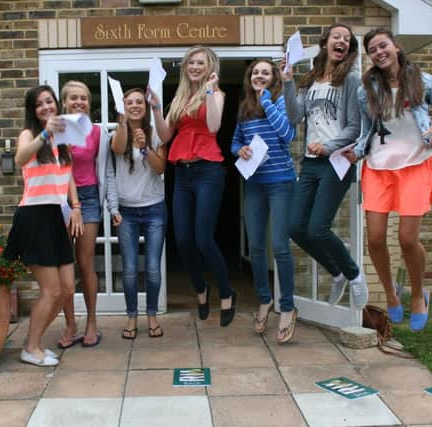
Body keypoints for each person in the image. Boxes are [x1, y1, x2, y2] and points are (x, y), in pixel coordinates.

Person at [344, 28, 432, 332]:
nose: (379, 52)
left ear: (396, 47)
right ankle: (391, 294)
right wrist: (356, 151)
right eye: (372, 49)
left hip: (415, 166)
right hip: (379, 168)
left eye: (383, 45)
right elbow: (366, 130)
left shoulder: (423, 81)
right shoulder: (365, 89)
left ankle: (419, 294)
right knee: (375, 238)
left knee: (407, 239)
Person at [282, 23, 368, 311]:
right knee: (295, 227)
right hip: (310, 164)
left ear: (349, 49)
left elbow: (356, 127)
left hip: (337, 162)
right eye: (336, 37)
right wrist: (287, 82)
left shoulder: (352, 81)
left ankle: (354, 275)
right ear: (326, 43)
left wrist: (329, 146)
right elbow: (295, 117)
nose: (341, 41)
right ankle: (338, 271)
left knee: (318, 227)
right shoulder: (312, 79)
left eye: (347, 39)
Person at [148, 46, 236, 327]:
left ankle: (226, 291)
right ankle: (201, 289)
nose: (194, 67)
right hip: (182, 173)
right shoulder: (180, 97)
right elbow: (164, 135)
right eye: (190, 62)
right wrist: (157, 108)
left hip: (208, 170)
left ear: (209, 67)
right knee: (183, 240)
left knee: (203, 239)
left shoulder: (217, 94)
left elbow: (212, 127)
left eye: (200, 63)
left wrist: (210, 91)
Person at [4, 85, 84, 366]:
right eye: (39, 104)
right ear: (33, 110)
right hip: (34, 216)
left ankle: (32, 343)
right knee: (50, 291)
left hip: (55, 216)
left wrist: (75, 207)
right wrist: (45, 132)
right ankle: (32, 347)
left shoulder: (62, 139)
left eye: (49, 101)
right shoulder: (30, 134)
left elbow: (68, 174)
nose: (46, 107)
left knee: (65, 290)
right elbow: (21, 157)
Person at [230, 59, 298, 343]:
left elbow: (287, 134)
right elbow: (234, 142)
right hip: (255, 184)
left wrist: (267, 102)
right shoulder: (245, 109)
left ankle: (287, 307)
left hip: (281, 183)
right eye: (255, 72)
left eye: (265, 73)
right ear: (250, 77)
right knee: (256, 247)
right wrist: (241, 149)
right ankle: (264, 300)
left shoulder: (279, 103)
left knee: (280, 247)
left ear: (273, 79)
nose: (259, 75)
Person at [106, 88, 167, 339]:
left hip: (154, 208)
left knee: (152, 268)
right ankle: (132, 317)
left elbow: (160, 167)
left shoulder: (156, 135)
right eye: (129, 102)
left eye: (139, 102)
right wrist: (123, 124)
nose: (134, 106)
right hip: (127, 212)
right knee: (130, 269)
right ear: (123, 107)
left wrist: (144, 148)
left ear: (145, 106)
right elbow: (119, 150)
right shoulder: (115, 133)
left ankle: (151, 316)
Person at [58, 81, 111, 349]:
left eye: (84, 98)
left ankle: (91, 321)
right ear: (64, 102)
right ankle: (70, 323)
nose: (79, 102)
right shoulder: (56, 130)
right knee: (64, 263)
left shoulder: (98, 132)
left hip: (88, 197)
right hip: (59, 199)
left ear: (89, 103)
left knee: (85, 261)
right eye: (73, 98)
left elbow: (105, 168)